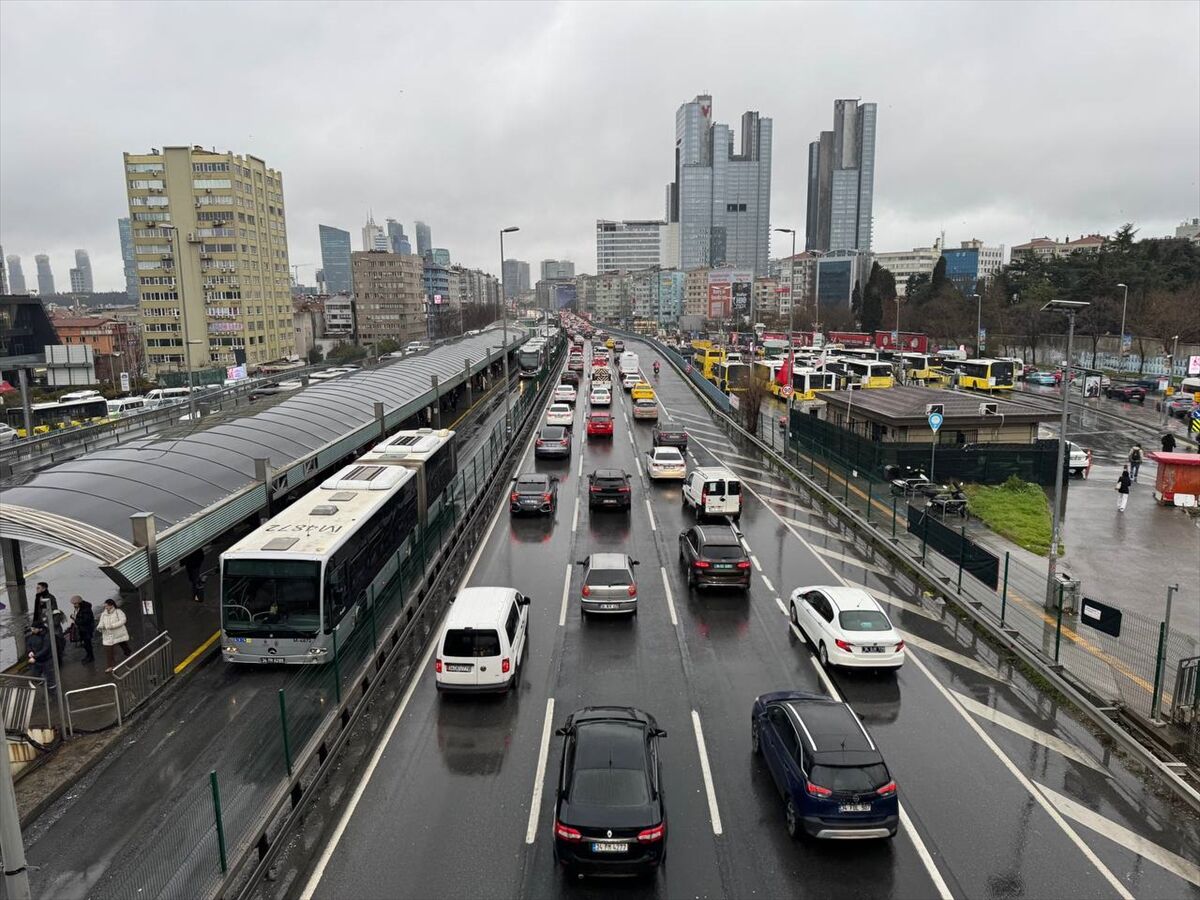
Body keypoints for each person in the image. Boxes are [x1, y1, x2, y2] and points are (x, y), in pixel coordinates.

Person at [98, 598, 132, 671]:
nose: (105, 607)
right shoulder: (103, 614)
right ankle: (110, 666)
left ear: (111, 605)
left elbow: (123, 620)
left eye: (107, 606)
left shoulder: (118, 612)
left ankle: (128, 653)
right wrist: (100, 627)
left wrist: (112, 626)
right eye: (105, 606)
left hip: (118, 633)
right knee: (109, 650)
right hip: (108, 635)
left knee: (123, 644)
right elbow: (101, 622)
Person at [27, 621, 57, 690]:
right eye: (31, 629)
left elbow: (45, 649)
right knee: (36, 675)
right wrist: (30, 651)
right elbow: (28, 644)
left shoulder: (46, 636)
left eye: (34, 629)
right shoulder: (32, 635)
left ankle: (52, 690)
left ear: (40, 629)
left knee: (50, 677)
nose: (32, 630)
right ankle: (43, 685)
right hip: (37, 660)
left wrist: (34, 657)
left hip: (46, 660)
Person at [70, 595, 96, 663]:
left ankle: (90, 657)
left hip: (86, 629)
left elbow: (84, 621)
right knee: (86, 644)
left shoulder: (86, 610)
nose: (74, 605)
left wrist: (74, 619)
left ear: (79, 603)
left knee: (88, 644)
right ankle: (89, 656)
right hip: (83, 629)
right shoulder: (81, 608)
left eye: (75, 604)